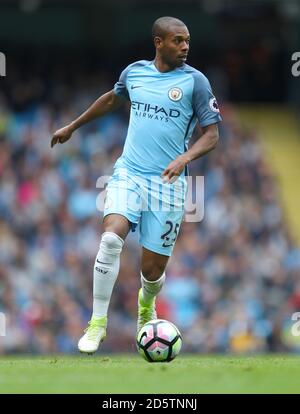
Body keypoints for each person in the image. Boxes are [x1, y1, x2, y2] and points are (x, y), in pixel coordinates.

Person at [51, 16, 222, 354]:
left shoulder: (195, 82)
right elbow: (113, 98)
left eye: (187, 40)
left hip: (168, 184)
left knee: (152, 272)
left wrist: (185, 158)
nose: (185, 46)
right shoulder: (135, 73)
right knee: (111, 236)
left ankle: (146, 307)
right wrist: (73, 125)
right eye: (177, 40)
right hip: (129, 173)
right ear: (158, 42)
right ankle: (98, 322)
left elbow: (213, 134)